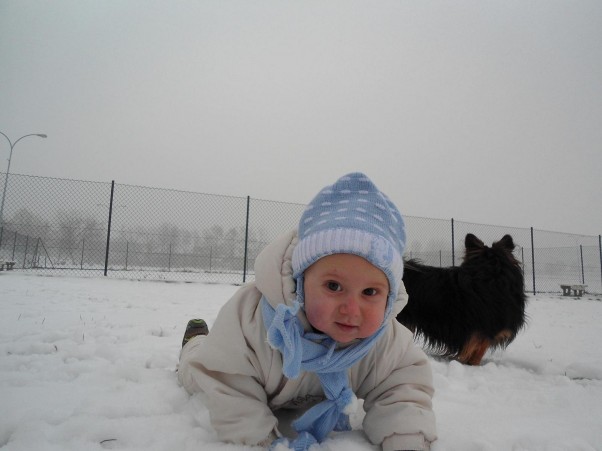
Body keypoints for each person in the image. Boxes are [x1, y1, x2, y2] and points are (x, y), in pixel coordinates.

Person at [178, 172, 437, 450]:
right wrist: (261, 440)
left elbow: (403, 390)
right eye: (334, 286)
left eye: (370, 292)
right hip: (226, 369)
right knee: (198, 370)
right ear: (301, 282)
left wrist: (405, 438)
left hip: (302, 393)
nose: (351, 310)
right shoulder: (252, 318)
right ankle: (194, 343)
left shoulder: (386, 342)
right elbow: (226, 381)